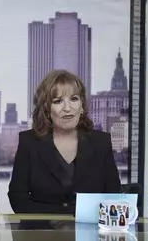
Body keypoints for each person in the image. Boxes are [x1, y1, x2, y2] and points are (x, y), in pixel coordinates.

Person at [8, 70, 121, 214]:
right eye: (58, 101)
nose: (67, 108)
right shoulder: (29, 142)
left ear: (82, 106)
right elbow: (18, 199)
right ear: (47, 110)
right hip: (41, 232)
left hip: (90, 231)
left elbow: (113, 196)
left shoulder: (101, 142)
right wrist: (58, 219)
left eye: (74, 99)